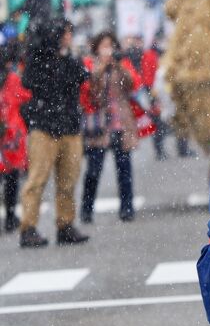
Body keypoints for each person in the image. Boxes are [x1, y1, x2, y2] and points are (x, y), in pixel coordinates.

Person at [19, 19, 89, 247]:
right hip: (44, 127)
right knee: (37, 179)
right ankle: (28, 227)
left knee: (68, 179)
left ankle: (65, 224)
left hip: (68, 125)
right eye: (66, 33)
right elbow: (31, 82)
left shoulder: (69, 59)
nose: (69, 37)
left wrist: (68, 57)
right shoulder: (39, 59)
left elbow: (81, 76)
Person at [79, 31, 141, 224]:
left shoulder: (121, 65)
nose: (107, 50)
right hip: (99, 126)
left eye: (110, 46)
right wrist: (100, 70)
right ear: (96, 48)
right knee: (93, 170)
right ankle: (86, 209)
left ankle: (127, 208)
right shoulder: (90, 65)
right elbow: (89, 92)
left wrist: (119, 67)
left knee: (124, 170)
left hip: (120, 124)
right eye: (104, 46)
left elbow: (133, 85)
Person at [0, 45, 31, 232]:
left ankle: (11, 216)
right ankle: (10, 216)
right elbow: (25, 97)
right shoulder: (11, 79)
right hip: (11, 134)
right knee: (11, 176)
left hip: (8, 131)